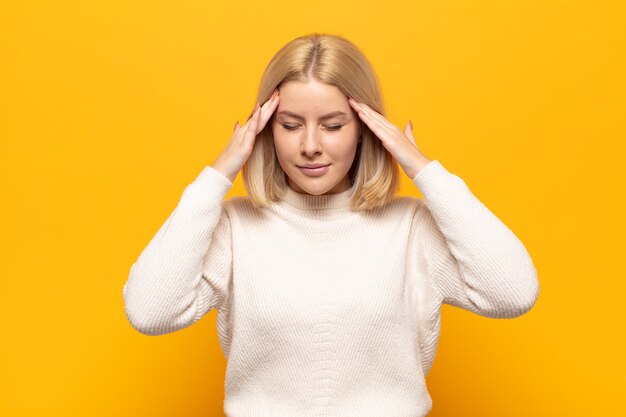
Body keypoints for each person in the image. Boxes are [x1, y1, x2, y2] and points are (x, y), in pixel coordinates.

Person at [122, 33, 540, 417]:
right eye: (289, 126)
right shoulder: (235, 227)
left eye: (333, 125)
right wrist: (218, 174)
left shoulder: (410, 227)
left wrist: (421, 167)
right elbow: (149, 311)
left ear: (364, 129)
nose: (310, 146)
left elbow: (513, 292)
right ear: (265, 130)